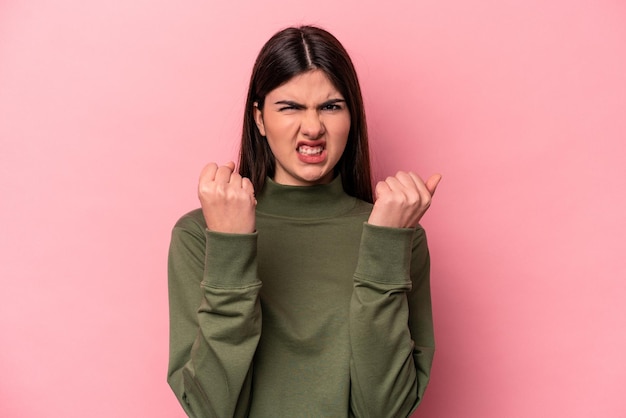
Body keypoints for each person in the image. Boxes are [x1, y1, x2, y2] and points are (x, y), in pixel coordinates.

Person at [167, 25, 441, 418]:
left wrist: (385, 244)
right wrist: (230, 247)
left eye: (331, 106)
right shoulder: (201, 234)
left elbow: (383, 411)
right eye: (290, 107)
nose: (313, 128)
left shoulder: (398, 235)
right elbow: (211, 409)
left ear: (352, 116)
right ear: (259, 119)